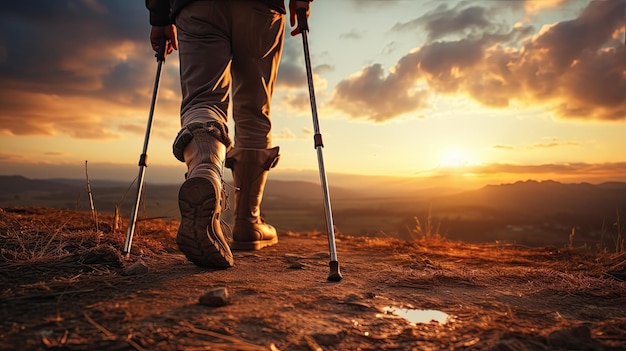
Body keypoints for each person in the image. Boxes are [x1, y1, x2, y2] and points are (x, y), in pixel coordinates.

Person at [145, 0, 313, 268]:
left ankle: (205, 173)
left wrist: (159, 16)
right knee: (253, 110)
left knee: (203, 102)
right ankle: (248, 224)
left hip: (194, 5)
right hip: (261, 7)